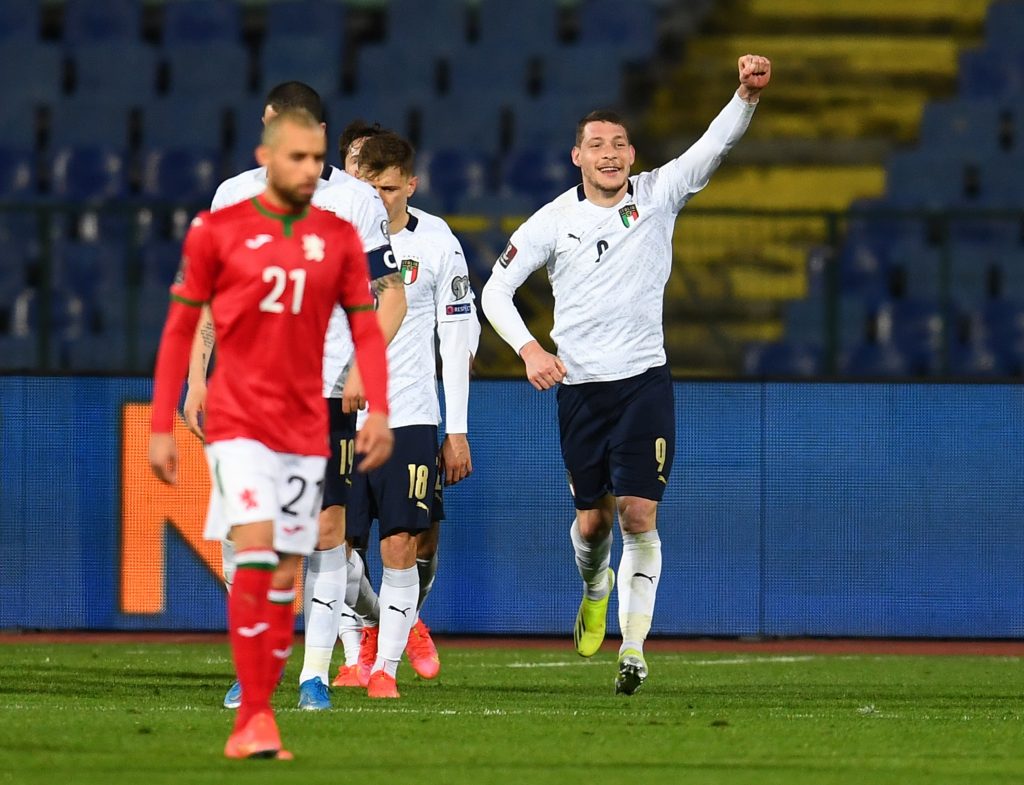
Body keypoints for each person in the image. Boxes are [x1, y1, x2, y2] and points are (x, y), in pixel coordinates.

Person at [481, 54, 772, 695]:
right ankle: (593, 586)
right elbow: (494, 291)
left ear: (632, 154)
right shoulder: (553, 221)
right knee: (594, 524)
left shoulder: (658, 193)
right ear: (576, 157)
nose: (609, 154)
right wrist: (530, 350)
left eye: (618, 144)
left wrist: (745, 97)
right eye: (596, 146)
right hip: (581, 390)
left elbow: (712, 146)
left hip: (645, 382)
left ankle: (633, 649)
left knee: (640, 514)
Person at [148, 108, 394, 759]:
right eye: (295, 155)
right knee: (250, 544)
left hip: (313, 409)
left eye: (315, 157)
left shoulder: (340, 227)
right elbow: (186, 313)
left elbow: (373, 311)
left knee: (299, 552)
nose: (307, 169)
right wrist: (180, 400)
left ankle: (298, 677)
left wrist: (375, 398)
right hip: (238, 407)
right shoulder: (225, 214)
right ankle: (256, 699)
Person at [338, 131, 477, 698]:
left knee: (402, 542)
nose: (378, 197)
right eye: (368, 185)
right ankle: (381, 627)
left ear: (410, 186)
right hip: (340, 412)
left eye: (389, 188)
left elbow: (456, 334)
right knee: (332, 548)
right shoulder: (331, 239)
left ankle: (381, 671)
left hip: (410, 414)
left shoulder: (439, 241)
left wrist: (458, 428)